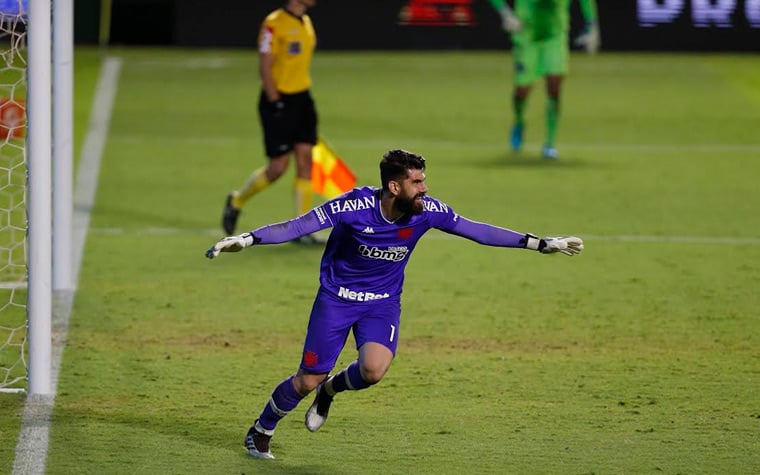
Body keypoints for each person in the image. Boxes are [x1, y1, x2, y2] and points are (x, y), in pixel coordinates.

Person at [205, 149, 584, 459]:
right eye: (416, 182)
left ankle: (331, 391)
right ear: (393, 185)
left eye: (423, 181)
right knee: (306, 379)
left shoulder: (428, 211)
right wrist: (248, 239)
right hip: (337, 300)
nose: (424, 189)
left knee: (373, 370)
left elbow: (478, 230)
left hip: (382, 303)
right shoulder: (353, 207)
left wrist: (539, 243)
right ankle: (261, 430)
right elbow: (297, 226)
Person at [221, 0, 322, 243]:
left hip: (303, 99)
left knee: (305, 160)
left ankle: (302, 229)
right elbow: (265, 65)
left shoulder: (306, 21)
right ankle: (237, 200)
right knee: (278, 168)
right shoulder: (273, 24)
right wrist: (275, 101)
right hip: (278, 100)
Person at [489, 0, 600, 159]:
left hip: (555, 36)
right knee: (522, 90)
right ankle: (519, 121)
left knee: (554, 86)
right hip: (526, 34)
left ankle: (549, 144)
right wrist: (505, 13)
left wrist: (592, 26)